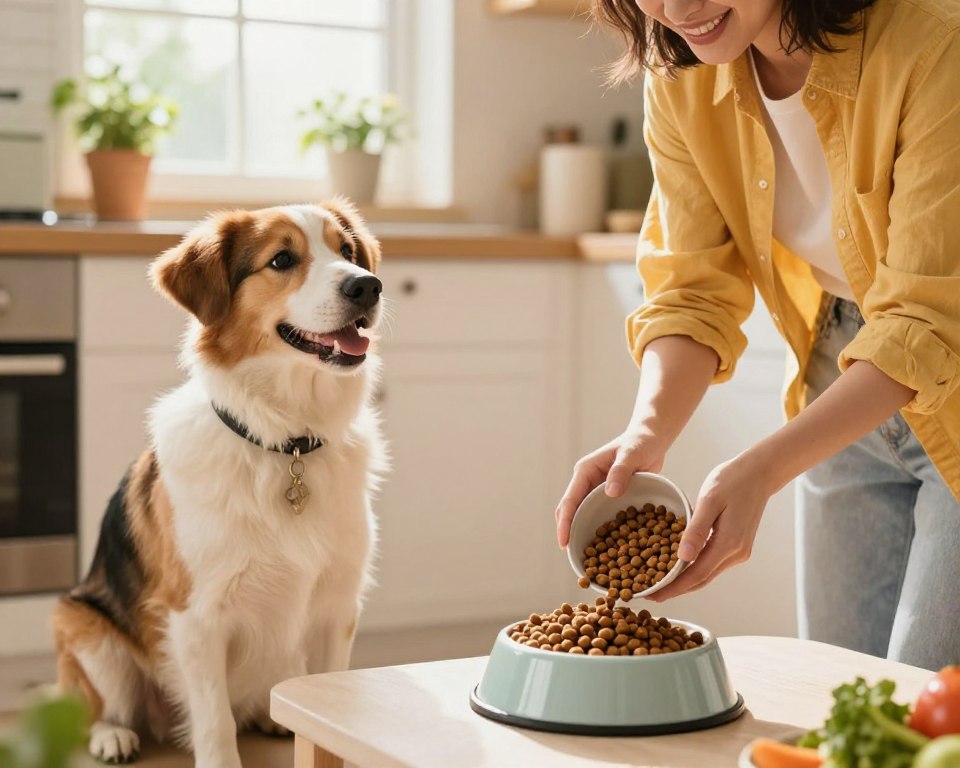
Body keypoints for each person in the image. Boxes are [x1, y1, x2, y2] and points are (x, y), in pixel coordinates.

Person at [555, 0, 960, 670]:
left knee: (927, 716)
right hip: (839, 369)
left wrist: (765, 469)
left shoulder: (936, 40)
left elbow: (925, 317)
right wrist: (645, 435)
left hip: (942, 355)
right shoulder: (682, 71)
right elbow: (692, 289)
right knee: (837, 693)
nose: (678, 8)